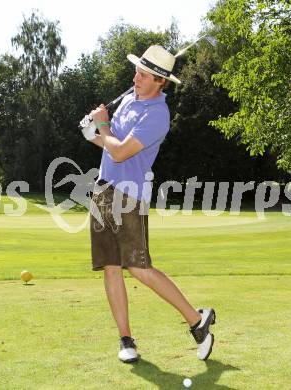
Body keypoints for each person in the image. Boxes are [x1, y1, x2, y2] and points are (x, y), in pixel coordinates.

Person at [88, 45, 216, 363]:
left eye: (144, 75)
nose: (136, 78)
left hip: (129, 195)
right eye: (137, 71)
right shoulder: (130, 100)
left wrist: (100, 127)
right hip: (103, 188)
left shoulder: (158, 114)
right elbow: (106, 142)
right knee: (112, 268)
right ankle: (126, 340)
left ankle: (198, 322)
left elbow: (119, 151)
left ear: (160, 81)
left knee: (138, 268)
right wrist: (92, 127)